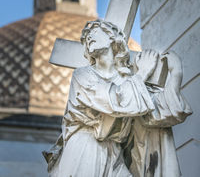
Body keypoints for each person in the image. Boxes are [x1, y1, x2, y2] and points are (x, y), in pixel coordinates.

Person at [43, 20, 192, 177]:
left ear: (112, 39)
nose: (89, 37)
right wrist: (142, 74)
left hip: (115, 152)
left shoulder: (127, 79)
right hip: (85, 148)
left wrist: (176, 75)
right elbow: (113, 101)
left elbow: (153, 112)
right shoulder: (83, 76)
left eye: (95, 32)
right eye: (87, 37)